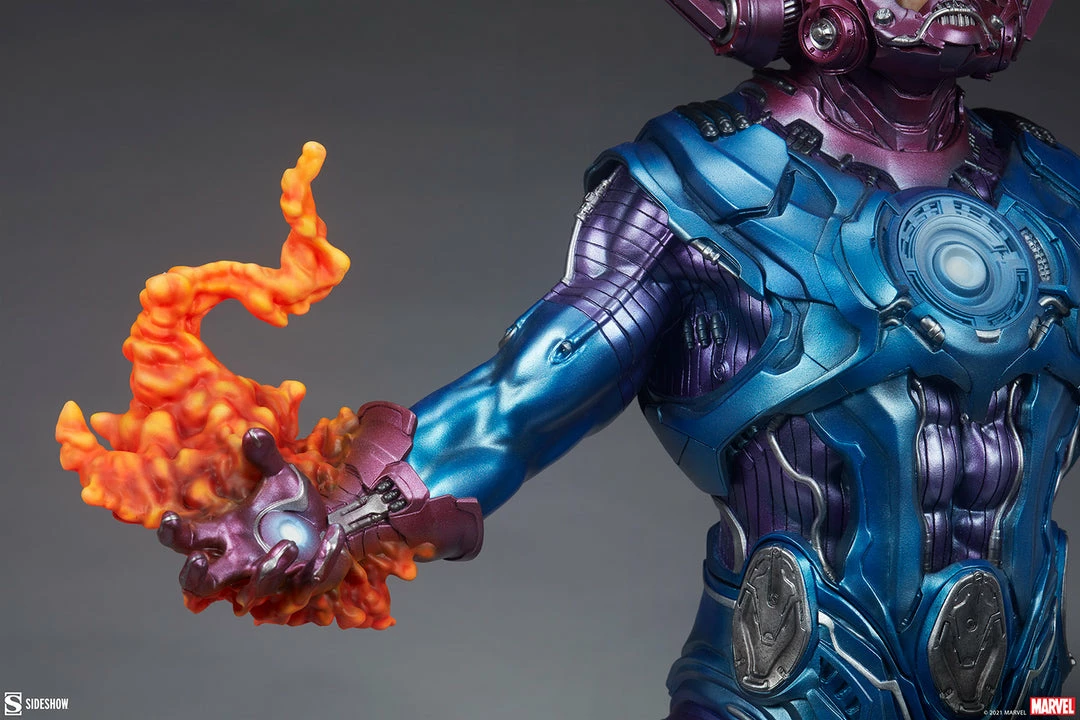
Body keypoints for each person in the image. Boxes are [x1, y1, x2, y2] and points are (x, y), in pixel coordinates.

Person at [157, 1, 1076, 716]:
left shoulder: (1056, 193)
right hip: (786, 695)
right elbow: (517, 403)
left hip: (1038, 694)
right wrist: (339, 511)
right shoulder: (696, 187)